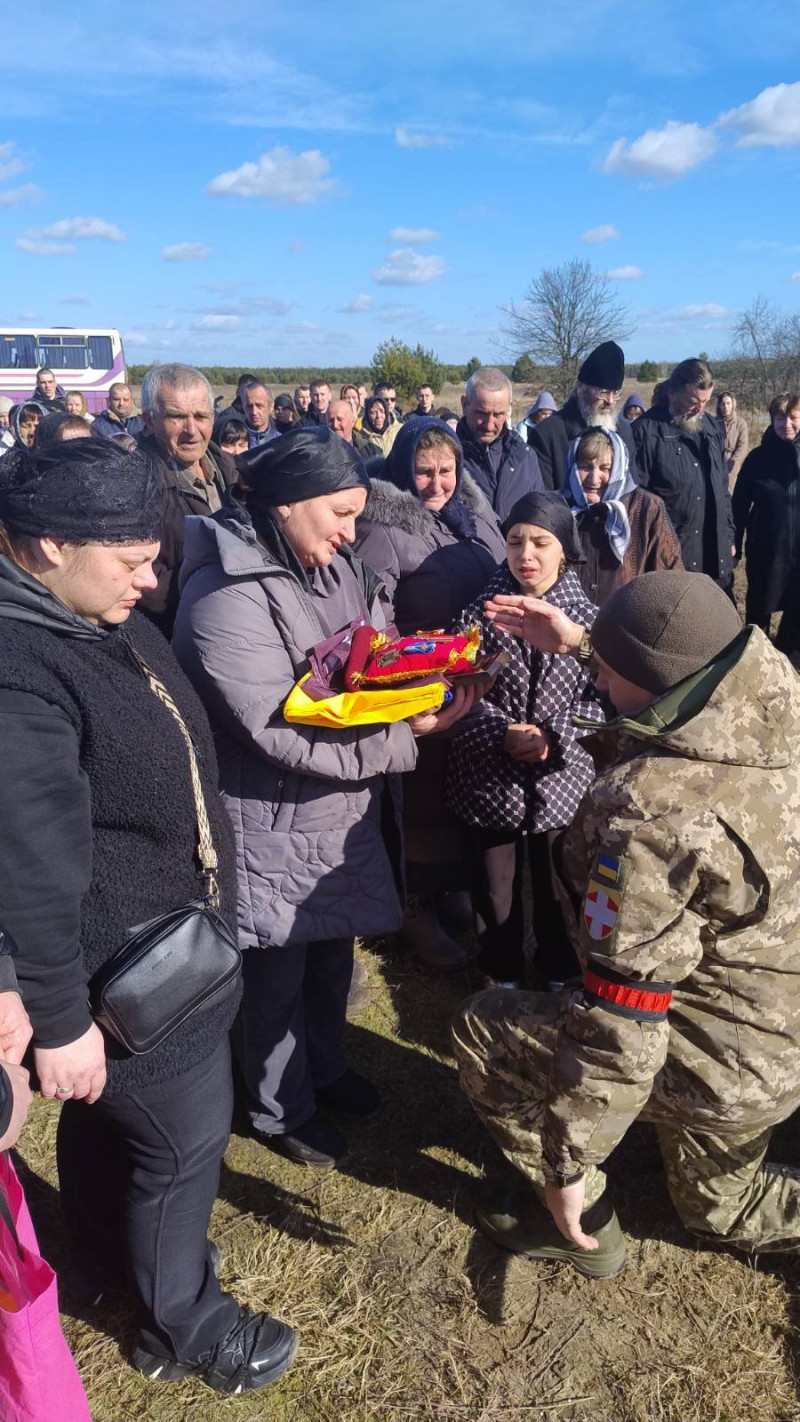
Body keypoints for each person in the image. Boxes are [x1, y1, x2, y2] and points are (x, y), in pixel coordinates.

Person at [0, 437, 296, 1393]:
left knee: (111, 1134)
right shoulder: (19, 671)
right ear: (45, 545)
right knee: (180, 1147)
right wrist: (56, 1021)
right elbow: (29, 866)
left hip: (158, 949)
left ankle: (96, 1261)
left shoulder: (81, 611)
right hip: (119, 973)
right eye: (130, 558)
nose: (151, 576)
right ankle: (182, 1323)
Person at [453, 569, 800, 1279]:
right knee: (722, 1210)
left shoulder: (653, 815)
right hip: (778, 1035)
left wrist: (566, 1163)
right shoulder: (775, 703)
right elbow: (664, 725)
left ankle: (583, 1226)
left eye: (609, 673)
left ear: (655, 677)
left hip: (724, 1069)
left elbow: (624, 1014)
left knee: (483, 1025)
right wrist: (585, 645)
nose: (600, 687)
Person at [172, 427, 477, 1167]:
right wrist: (410, 736)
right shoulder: (222, 600)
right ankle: (278, 1108)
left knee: (330, 956)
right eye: (339, 513)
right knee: (274, 972)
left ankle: (328, 1068)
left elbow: (370, 655)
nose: (349, 534)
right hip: (268, 816)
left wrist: (426, 675)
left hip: (339, 812)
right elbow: (280, 728)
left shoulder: (331, 568)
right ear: (285, 504)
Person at [353, 417, 505, 968]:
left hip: (473, 674)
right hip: (419, 680)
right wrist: (416, 665)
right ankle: (413, 908)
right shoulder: (382, 527)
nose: (437, 483)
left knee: (458, 785)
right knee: (419, 796)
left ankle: (451, 887)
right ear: (402, 470)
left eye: (446, 470)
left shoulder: (471, 514)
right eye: (423, 472)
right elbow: (370, 615)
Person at [447, 492, 603, 989]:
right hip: (490, 775)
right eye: (515, 542)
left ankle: (561, 970)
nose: (526, 555)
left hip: (562, 778)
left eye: (541, 542)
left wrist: (553, 736)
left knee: (559, 884)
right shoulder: (479, 613)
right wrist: (500, 730)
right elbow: (452, 684)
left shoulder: (589, 622)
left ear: (565, 551)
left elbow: (603, 699)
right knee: (496, 889)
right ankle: (501, 973)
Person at [137, 363, 234, 635]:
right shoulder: (136, 484)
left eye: (201, 416)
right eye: (177, 417)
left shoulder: (232, 471)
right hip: (179, 634)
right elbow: (141, 577)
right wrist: (212, 594)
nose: (191, 429)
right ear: (149, 420)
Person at [633, 358, 735, 591]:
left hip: (716, 553)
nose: (700, 408)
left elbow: (722, 487)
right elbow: (639, 504)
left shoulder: (711, 428)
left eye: (705, 401)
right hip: (672, 556)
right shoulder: (645, 433)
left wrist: (728, 533)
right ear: (672, 393)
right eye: (693, 401)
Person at [564, 427, 682, 604]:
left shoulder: (647, 508)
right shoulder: (559, 507)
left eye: (606, 468)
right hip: (566, 624)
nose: (594, 479)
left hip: (626, 626)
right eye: (585, 467)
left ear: (619, 468)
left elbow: (669, 577)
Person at [732, 391, 800, 653]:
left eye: (793, 417)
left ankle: (786, 654)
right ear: (772, 420)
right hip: (767, 550)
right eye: (780, 418)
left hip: (798, 553)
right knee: (760, 606)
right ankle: (754, 655)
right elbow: (738, 504)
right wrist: (734, 541)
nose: (787, 424)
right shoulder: (758, 458)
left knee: (796, 607)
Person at [529, 342, 635, 490]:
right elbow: (544, 499)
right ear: (581, 389)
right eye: (603, 392)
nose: (610, 401)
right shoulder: (547, 435)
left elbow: (632, 490)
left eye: (615, 393)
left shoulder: (624, 432)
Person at [456, 368, 544, 525]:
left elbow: (540, 519)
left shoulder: (525, 458)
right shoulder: (448, 458)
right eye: (481, 413)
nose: (489, 425)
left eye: (498, 415)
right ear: (464, 405)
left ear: (509, 409)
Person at [716, 390, 749, 487]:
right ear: (719, 405)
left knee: (731, 491)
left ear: (733, 404)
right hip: (717, 461)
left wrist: (732, 462)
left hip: (733, 463)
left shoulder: (740, 423)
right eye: (723, 404)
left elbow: (743, 446)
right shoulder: (713, 422)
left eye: (728, 403)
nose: (725, 406)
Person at [241, 382, 278, 448]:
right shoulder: (234, 443)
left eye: (259, 406)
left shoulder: (280, 441)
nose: (254, 412)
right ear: (243, 407)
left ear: (271, 406)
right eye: (249, 406)